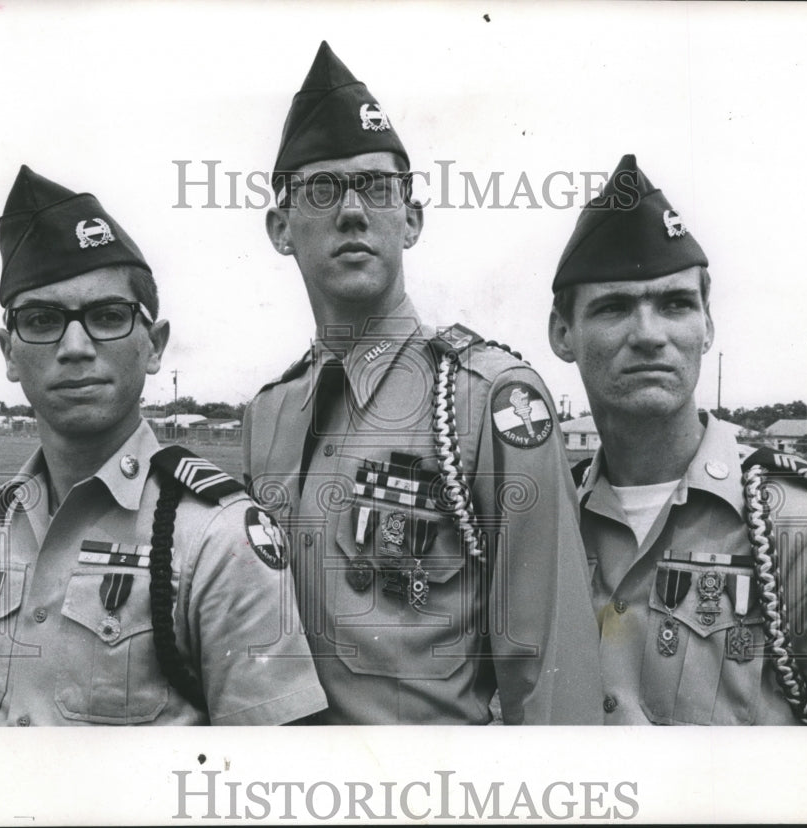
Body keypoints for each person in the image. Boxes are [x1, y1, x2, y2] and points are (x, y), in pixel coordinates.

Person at [243, 41, 602, 725]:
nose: (353, 212)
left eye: (377, 188)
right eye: (322, 189)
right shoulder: (269, 417)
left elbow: (552, 670)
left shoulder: (487, 400)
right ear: (280, 228)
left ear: (411, 220)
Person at [0, 165, 327, 726]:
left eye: (107, 317)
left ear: (155, 345)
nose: (74, 347)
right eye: (41, 320)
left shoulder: (217, 538)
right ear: (9, 353)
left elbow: (266, 779)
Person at [547, 153, 807, 725]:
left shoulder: (799, 524)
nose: (649, 335)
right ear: (563, 333)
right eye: (615, 307)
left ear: (708, 327)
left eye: (675, 304)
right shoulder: (551, 521)